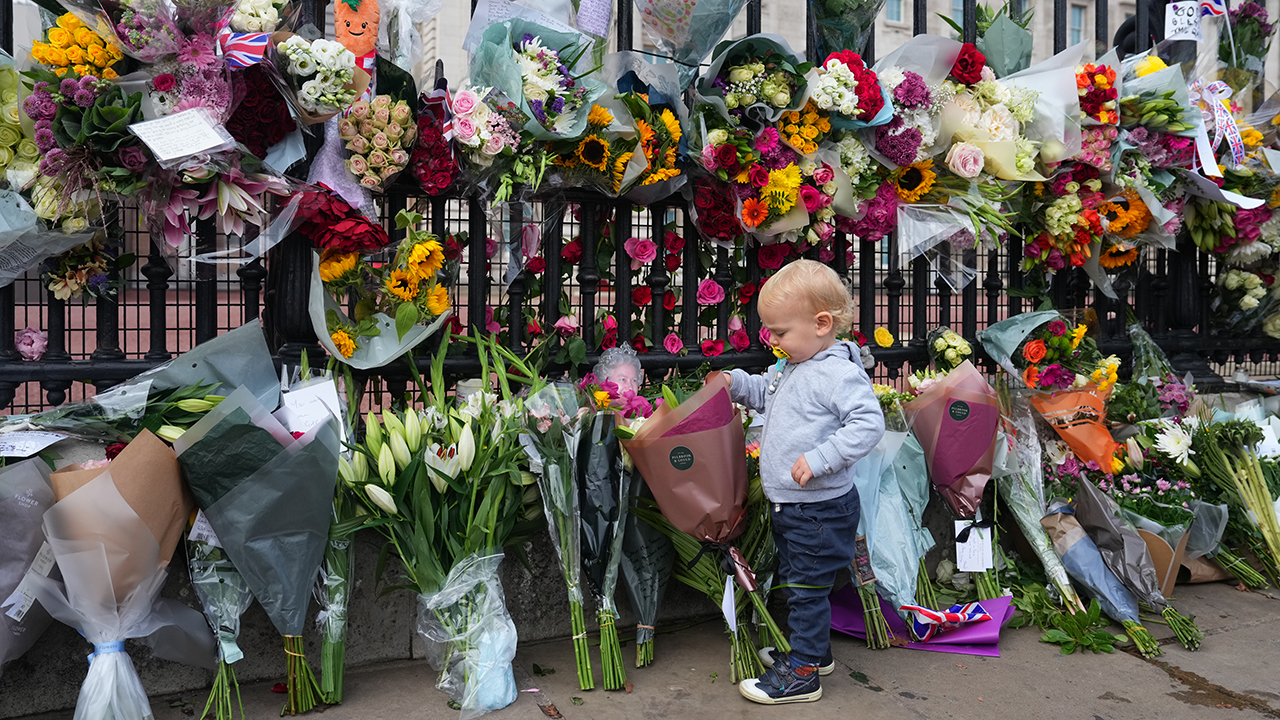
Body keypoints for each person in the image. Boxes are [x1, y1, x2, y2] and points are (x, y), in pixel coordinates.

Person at [722, 259, 885, 705]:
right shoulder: (795, 363)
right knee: (802, 584)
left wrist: (820, 458)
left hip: (818, 508)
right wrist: (735, 384)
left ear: (821, 324)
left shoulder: (835, 373)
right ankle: (814, 652)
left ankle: (803, 674)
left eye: (779, 331)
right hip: (795, 506)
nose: (771, 340)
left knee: (804, 590)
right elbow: (765, 392)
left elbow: (868, 424)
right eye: (769, 330)